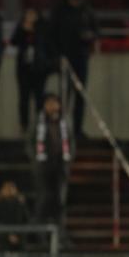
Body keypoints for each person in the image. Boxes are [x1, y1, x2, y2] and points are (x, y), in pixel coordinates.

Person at [49, 0, 99, 138]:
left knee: (80, 95)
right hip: (65, 58)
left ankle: (77, 129)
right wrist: (57, 55)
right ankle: (61, 128)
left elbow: (96, 30)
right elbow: (52, 35)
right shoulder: (60, 12)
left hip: (81, 57)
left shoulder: (86, 12)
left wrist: (89, 37)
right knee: (64, 95)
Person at [32, 93, 74, 233]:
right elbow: (30, 143)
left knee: (60, 201)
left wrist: (68, 160)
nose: (52, 106)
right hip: (43, 167)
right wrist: (35, 159)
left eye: (54, 103)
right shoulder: (38, 122)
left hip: (60, 167)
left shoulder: (65, 122)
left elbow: (71, 143)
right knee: (43, 200)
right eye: (49, 103)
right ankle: (39, 234)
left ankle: (60, 232)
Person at [11, 8, 50, 133]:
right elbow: (13, 41)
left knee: (39, 98)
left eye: (33, 14)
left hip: (39, 69)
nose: (31, 17)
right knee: (24, 98)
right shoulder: (21, 27)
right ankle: (24, 125)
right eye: (28, 14)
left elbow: (48, 45)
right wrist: (23, 30)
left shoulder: (43, 28)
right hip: (24, 70)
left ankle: (40, 125)